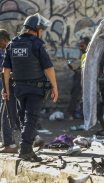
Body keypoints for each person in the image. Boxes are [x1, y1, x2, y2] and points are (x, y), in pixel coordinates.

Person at [2, 13, 58, 161]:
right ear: (37, 29)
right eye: (42, 30)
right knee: (31, 118)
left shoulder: (12, 44)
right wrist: (55, 87)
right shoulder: (37, 44)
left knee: (23, 118)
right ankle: (26, 149)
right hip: (35, 89)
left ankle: (27, 146)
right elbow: (48, 68)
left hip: (19, 89)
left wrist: (7, 89)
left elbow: (6, 70)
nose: (43, 33)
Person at [0, 29, 18, 153]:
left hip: (12, 87)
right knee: (12, 114)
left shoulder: (10, 50)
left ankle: (10, 145)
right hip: (9, 87)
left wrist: (6, 89)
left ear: (3, 40)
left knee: (7, 115)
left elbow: (6, 71)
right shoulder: (10, 49)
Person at [66, 37, 90, 120]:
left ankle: (75, 113)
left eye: (82, 45)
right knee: (75, 95)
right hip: (79, 77)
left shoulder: (88, 55)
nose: (81, 47)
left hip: (83, 78)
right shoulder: (83, 54)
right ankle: (72, 113)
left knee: (80, 96)